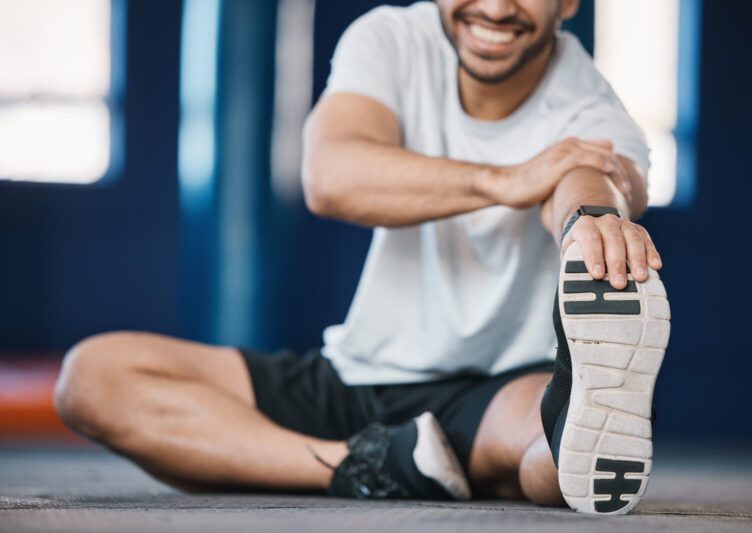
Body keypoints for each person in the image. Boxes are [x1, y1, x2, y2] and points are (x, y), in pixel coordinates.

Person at [53, 0, 670, 515]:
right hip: (355, 375)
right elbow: (330, 173)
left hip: (492, 391)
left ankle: (569, 433)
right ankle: (368, 463)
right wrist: (502, 179)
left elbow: (588, 181)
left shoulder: (592, 107)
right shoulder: (391, 40)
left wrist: (590, 225)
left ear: (569, 4)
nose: (496, 6)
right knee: (92, 378)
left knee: (550, 455)